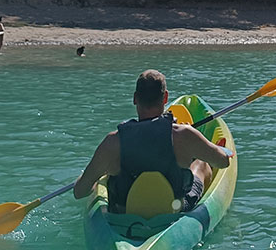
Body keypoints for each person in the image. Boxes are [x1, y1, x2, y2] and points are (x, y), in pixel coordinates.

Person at [73, 70, 233, 213]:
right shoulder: (184, 135)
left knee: (107, 175)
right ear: (165, 98)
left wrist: (96, 178)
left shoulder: (112, 142)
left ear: (135, 98)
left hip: (124, 211)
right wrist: (201, 145)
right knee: (201, 163)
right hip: (175, 209)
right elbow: (223, 162)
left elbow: (79, 192)